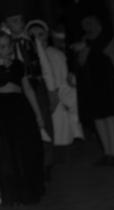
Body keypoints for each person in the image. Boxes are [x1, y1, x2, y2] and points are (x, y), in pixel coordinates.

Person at [0, 30, 45, 206]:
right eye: (2, 46)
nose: (6, 49)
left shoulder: (18, 64)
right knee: (6, 154)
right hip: (2, 112)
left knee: (25, 150)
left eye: (8, 45)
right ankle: (11, 193)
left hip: (20, 109)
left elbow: (28, 89)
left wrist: (38, 114)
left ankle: (28, 191)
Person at [73, 13, 114, 166]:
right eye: (84, 22)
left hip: (106, 82)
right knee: (98, 117)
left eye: (90, 21)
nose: (87, 25)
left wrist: (86, 48)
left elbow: (106, 57)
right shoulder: (85, 40)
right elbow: (81, 63)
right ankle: (107, 153)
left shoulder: (106, 38)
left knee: (109, 116)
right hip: (91, 84)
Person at [26, 19, 84, 148]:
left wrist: (56, 98)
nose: (37, 38)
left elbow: (63, 80)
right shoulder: (28, 57)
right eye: (33, 36)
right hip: (39, 100)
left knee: (59, 135)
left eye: (40, 34)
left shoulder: (56, 55)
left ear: (46, 35)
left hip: (56, 99)